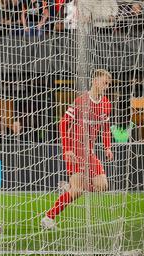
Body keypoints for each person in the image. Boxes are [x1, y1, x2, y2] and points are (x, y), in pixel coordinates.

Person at [41, 69, 114, 229]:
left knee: (102, 186)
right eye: (104, 82)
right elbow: (63, 123)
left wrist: (108, 147)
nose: (106, 86)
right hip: (74, 151)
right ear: (95, 81)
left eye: (108, 84)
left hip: (90, 153)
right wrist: (67, 149)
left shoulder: (106, 103)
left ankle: (68, 188)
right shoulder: (81, 100)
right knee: (77, 191)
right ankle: (48, 218)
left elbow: (106, 128)